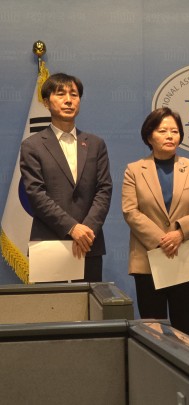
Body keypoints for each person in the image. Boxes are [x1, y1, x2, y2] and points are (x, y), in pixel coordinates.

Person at [122, 107, 189, 337]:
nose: (170, 136)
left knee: (185, 328)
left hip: (184, 254)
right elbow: (130, 211)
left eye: (175, 131)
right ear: (149, 136)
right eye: (163, 131)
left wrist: (179, 233)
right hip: (148, 257)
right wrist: (162, 240)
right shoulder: (134, 170)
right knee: (153, 330)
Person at [20, 73, 112, 282]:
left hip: (89, 243)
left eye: (74, 94)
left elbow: (104, 190)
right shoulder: (32, 146)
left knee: (89, 302)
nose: (69, 100)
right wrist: (72, 227)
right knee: (54, 303)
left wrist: (86, 230)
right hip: (49, 243)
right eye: (61, 94)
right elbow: (36, 194)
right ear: (46, 102)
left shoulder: (96, 144)